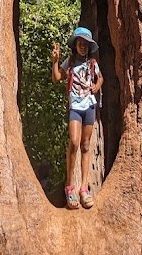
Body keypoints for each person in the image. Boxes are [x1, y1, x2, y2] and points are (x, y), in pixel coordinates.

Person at [51, 26, 103, 210]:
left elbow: (100, 78)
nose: (82, 46)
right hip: (75, 107)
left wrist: (97, 87)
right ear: (75, 45)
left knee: (86, 145)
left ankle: (84, 189)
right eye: (80, 43)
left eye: (85, 44)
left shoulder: (92, 63)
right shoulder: (70, 62)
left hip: (89, 106)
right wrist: (55, 61)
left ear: (89, 47)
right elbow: (57, 77)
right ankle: (70, 186)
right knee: (74, 142)